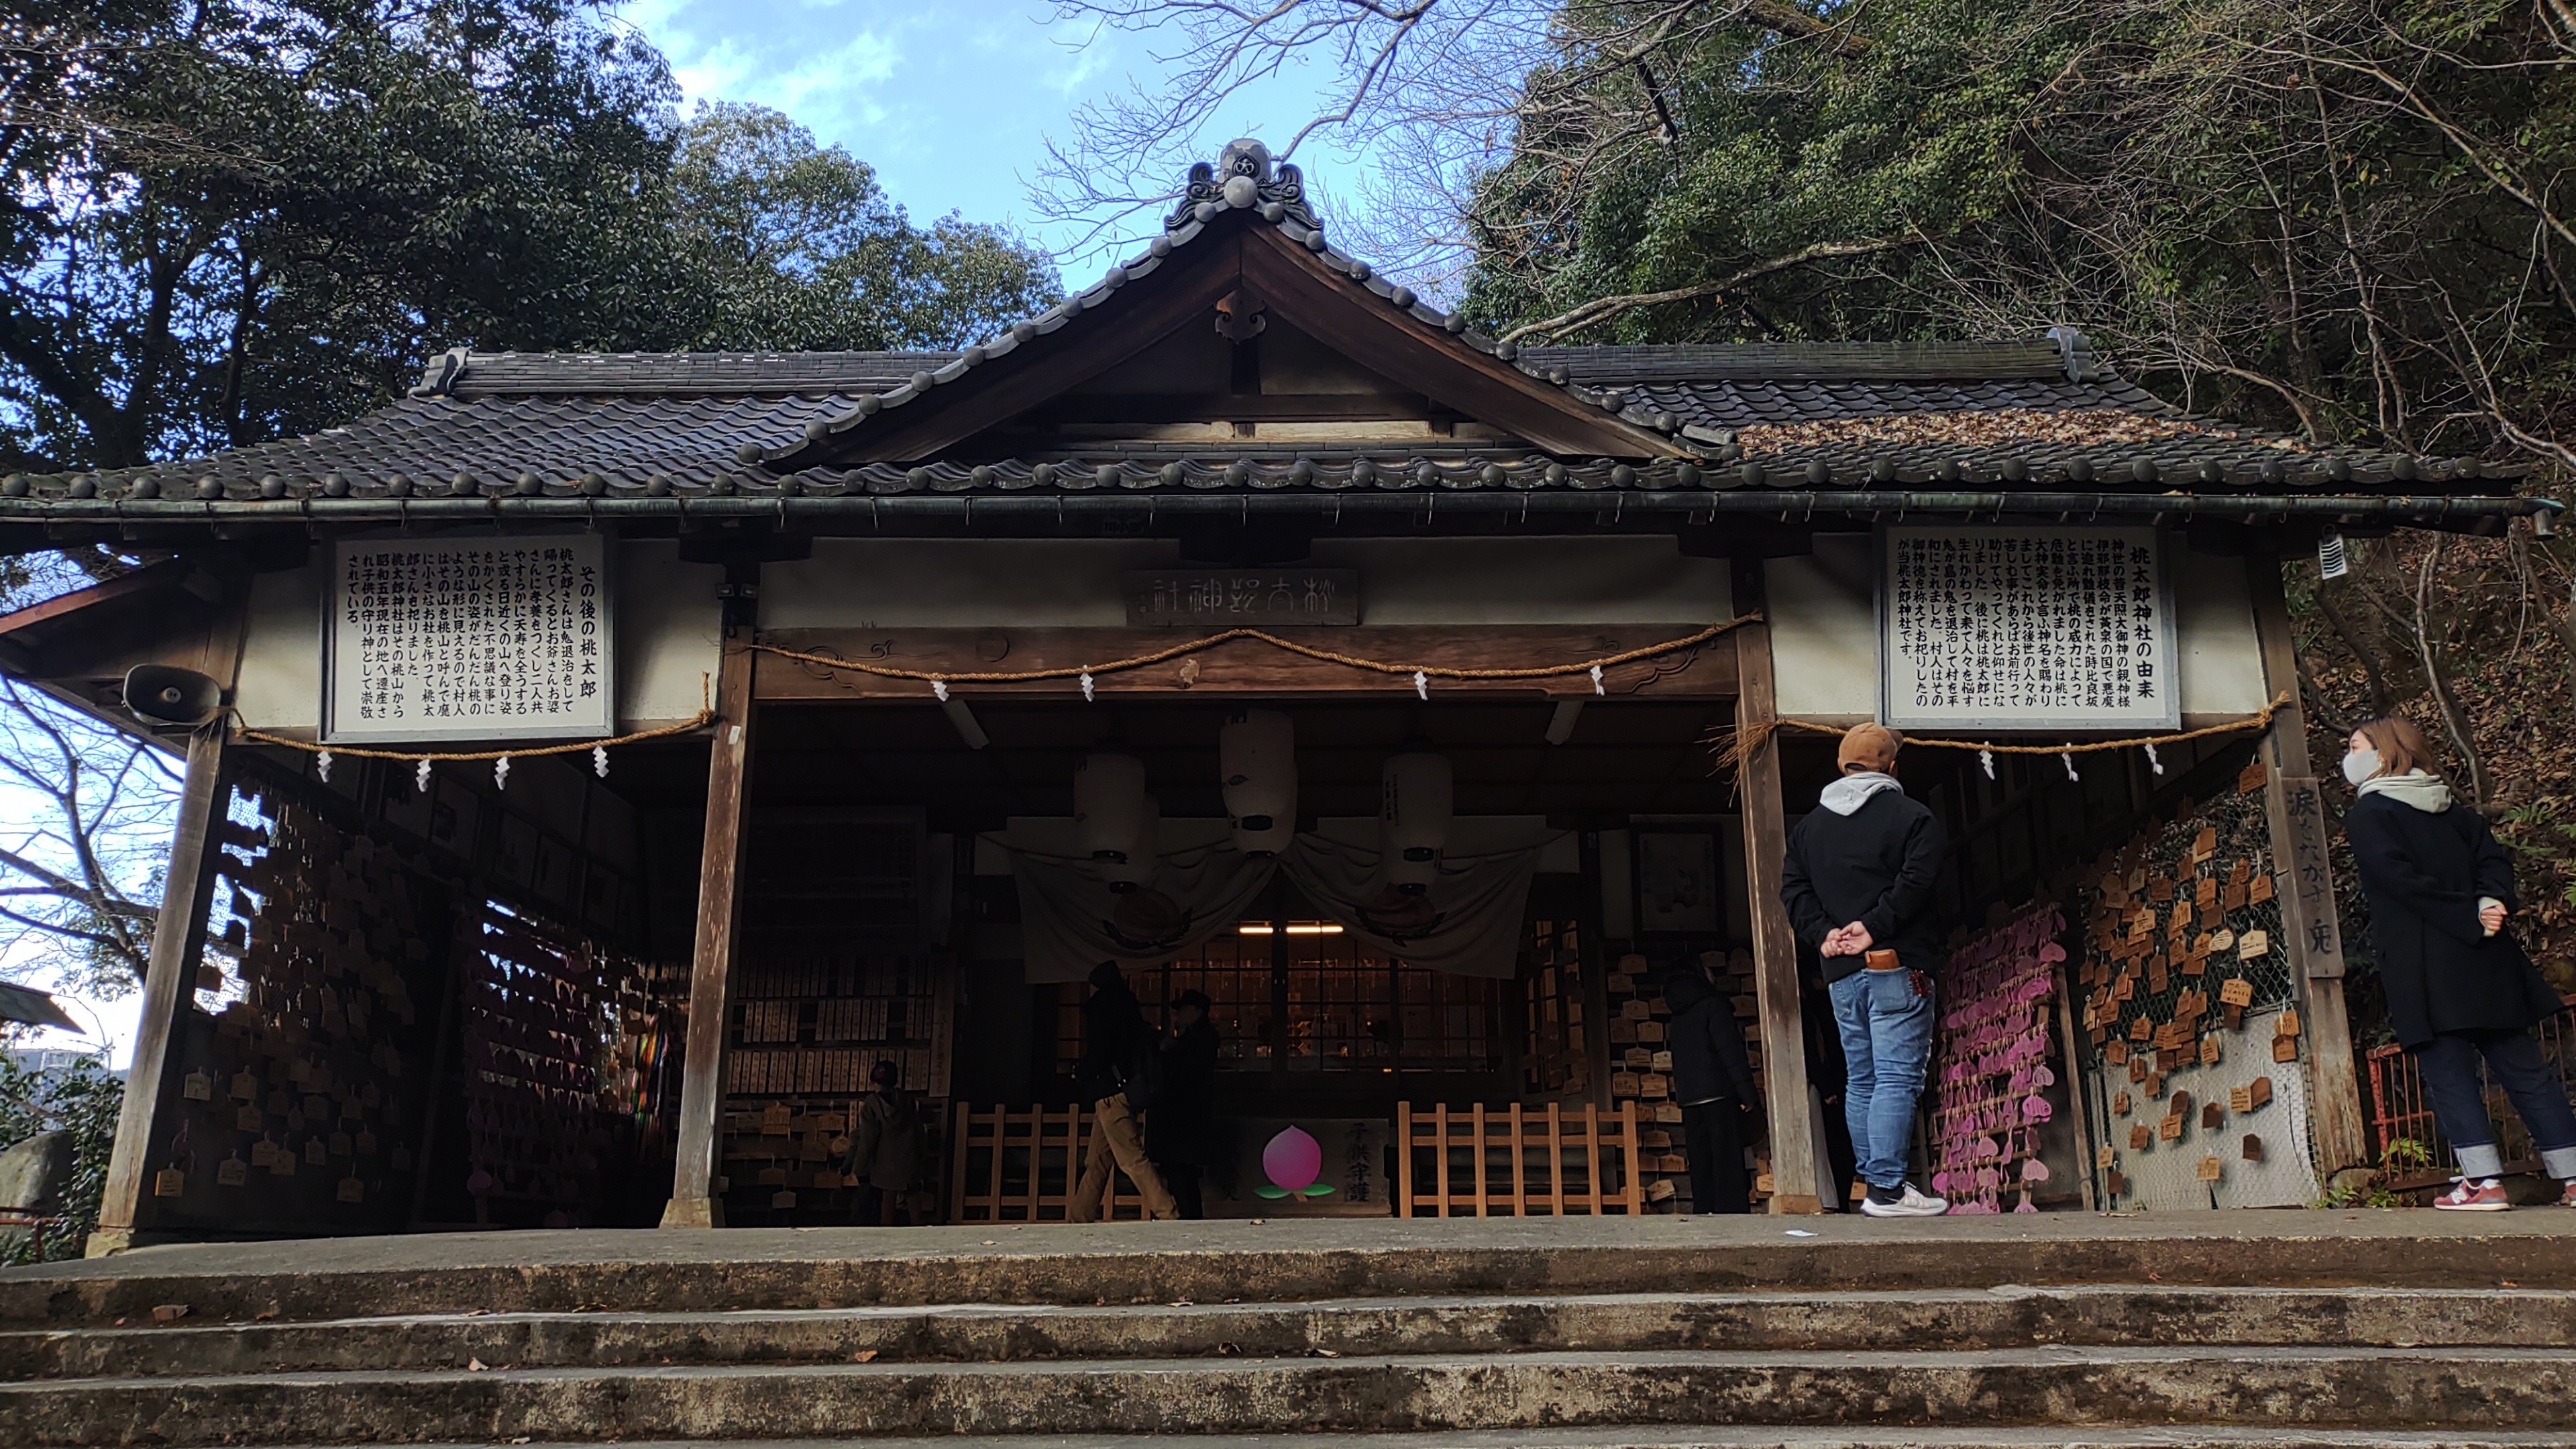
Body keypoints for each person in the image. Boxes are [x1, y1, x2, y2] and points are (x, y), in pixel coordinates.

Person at [2340, 716, 2576, 1211]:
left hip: (2425, 964)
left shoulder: (2371, 815)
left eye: (2356, 745)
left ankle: (2483, 1183)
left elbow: (2396, 880)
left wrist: (2465, 916)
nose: (2350, 754)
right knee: (2526, 1071)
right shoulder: (2455, 811)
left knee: (2449, 1075)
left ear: (2383, 755)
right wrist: (2489, 905)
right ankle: (2574, 1176)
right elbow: (2496, 863)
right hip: (2488, 958)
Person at [1780, 721, 1950, 1218]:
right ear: (1893, 767)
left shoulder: (1808, 829)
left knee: (1862, 1079)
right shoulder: (1913, 817)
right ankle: (1889, 1190)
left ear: (1841, 766)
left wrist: (1824, 935)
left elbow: (1793, 891)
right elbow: (1918, 879)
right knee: (1897, 1078)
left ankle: (1875, 1186)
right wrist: (1874, 926)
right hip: (1895, 964)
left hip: (1840, 972)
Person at [1067, 960, 1181, 1222]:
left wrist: (1081, 1071)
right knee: (1098, 1161)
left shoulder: (1101, 1012)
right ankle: (1078, 1216)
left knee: (1131, 1160)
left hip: (1108, 1094)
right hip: (1124, 1090)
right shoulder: (1129, 1009)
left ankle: (1168, 1213)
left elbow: (1099, 1054)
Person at [1664, 959, 1763, 1214]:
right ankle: (1731, 1212)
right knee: (1726, 1157)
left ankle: (1704, 1209)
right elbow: (1730, 1053)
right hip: (1719, 1093)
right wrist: (1748, 1095)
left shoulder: (1677, 1013)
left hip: (1690, 1097)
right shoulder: (1714, 1006)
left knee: (1700, 1160)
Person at [1148, 989, 1222, 1219]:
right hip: (1185, 1116)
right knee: (1181, 1171)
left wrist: (1168, 1054)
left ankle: (1188, 1217)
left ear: (1198, 1012)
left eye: (1184, 1009)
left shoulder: (1202, 1039)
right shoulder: (1193, 1037)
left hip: (1185, 1116)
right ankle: (1189, 1216)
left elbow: (1184, 1074)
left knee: (1181, 1171)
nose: (1178, 1013)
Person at [843, 1059, 921, 1225]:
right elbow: (919, 1130)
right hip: (909, 1156)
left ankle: (887, 1237)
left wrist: (860, 1168)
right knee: (913, 1198)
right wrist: (921, 1155)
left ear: (872, 1080)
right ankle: (922, 1235)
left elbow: (868, 1139)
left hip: (885, 1161)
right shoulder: (907, 1100)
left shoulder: (871, 1105)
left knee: (888, 1201)